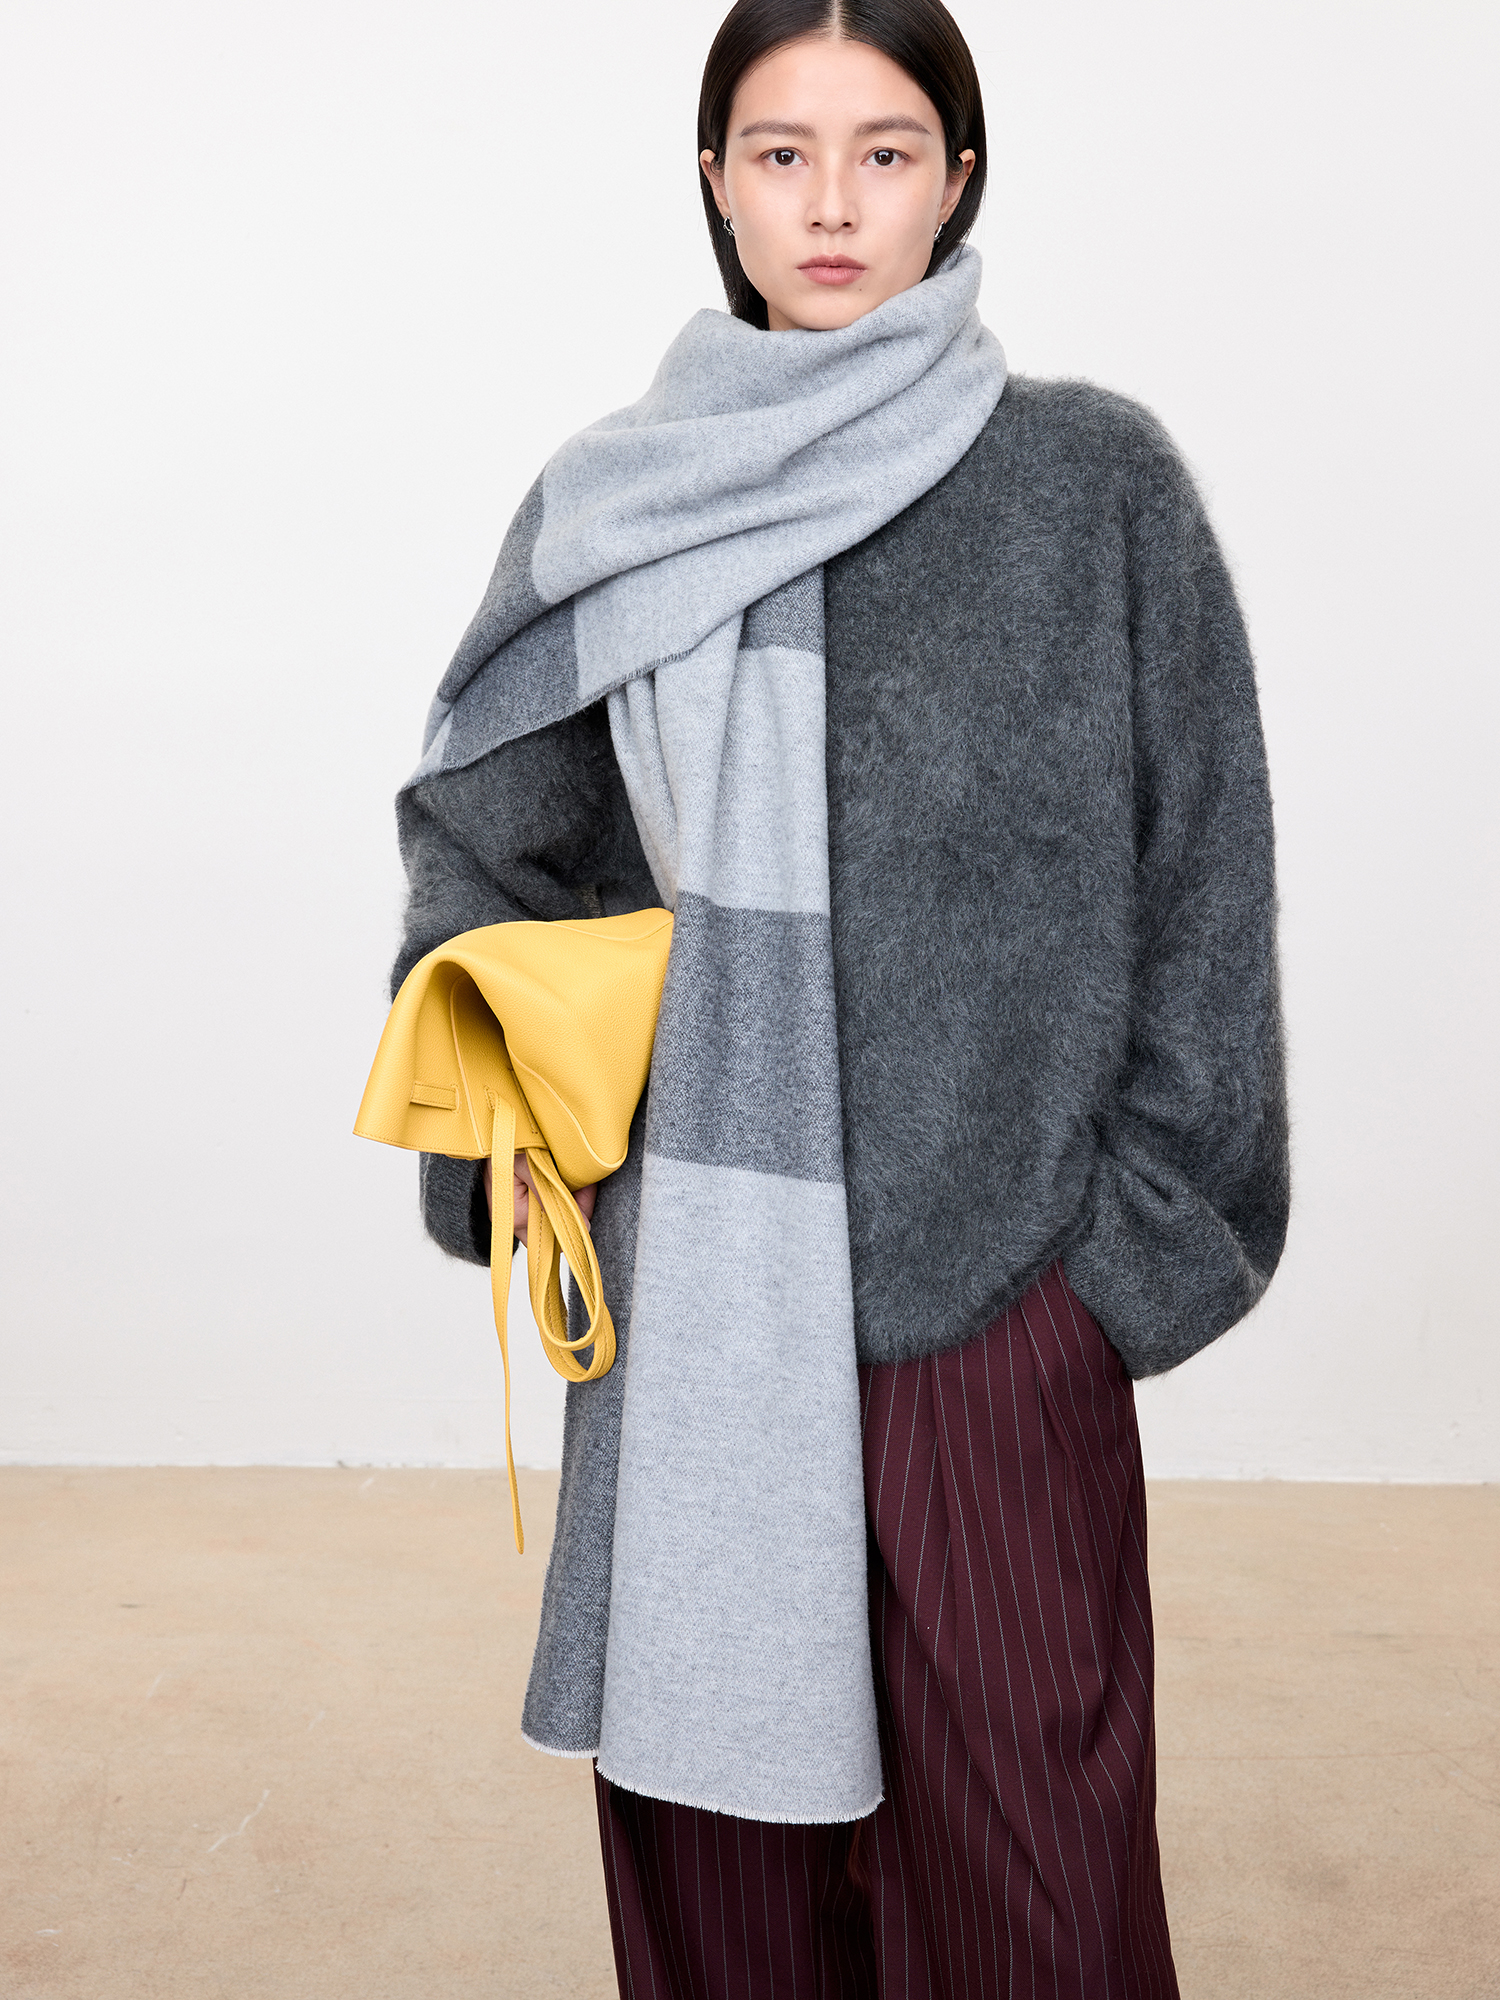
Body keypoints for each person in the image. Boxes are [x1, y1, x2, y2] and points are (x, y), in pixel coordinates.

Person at [386, 0, 1289, 1992]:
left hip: (996, 1312)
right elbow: (483, 831)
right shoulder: (619, 500)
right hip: (706, 1303)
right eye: (781, 153)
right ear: (714, 181)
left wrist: (1112, 1278)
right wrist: (515, 1130)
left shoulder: (1093, 485)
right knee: (729, 1908)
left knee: (1035, 1903)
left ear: (957, 180)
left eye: (883, 153)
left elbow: (1203, 879)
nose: (830, 204)